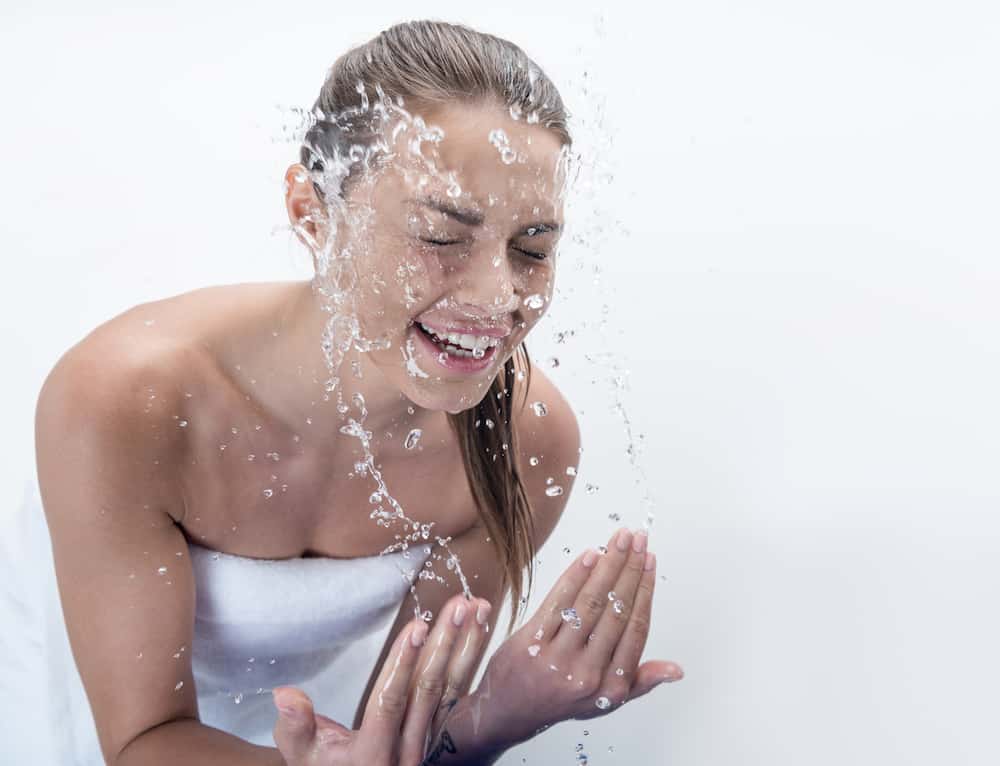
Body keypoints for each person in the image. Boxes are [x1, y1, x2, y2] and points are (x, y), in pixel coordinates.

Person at [30, 19, 683, 766]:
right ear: (312, 210)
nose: (499, 295)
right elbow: (141, 741)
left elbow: (390, 743)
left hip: (309, 729)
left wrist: (494, 716)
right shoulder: (129, 402)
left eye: (532, 248)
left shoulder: (523, 440)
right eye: (442, 237)